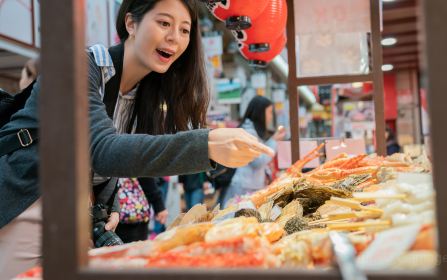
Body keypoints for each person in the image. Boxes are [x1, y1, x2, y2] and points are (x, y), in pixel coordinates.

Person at [0, 0, 273, 278]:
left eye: (184, 30)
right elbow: (103, 149)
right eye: (164, 23)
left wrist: (109, 202)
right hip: (25, 200)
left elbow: (101, 156)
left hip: (74, 214)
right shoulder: (81, 66)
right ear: (131, 24)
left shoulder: (144, 93)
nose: (174, 38)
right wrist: (206, 144)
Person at [222, 96, 286, 208]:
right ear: (261, 112)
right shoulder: (249, 132)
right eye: (270, 112)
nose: (271, 116)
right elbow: (257, 161)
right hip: (244, 187)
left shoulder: (252, 131)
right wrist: (273, 141)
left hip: (249, 185)